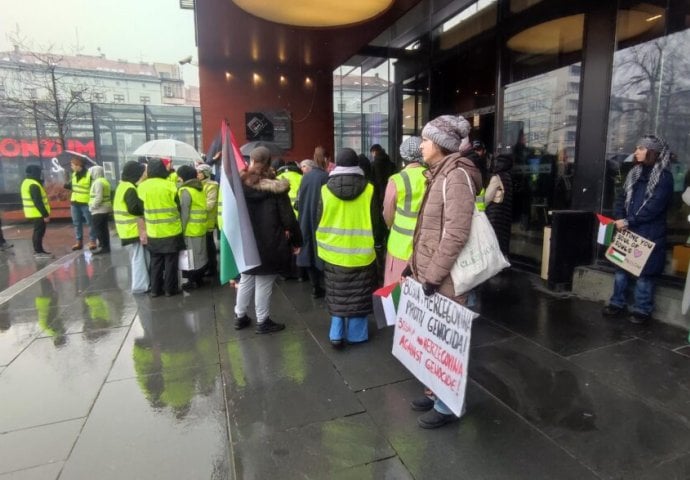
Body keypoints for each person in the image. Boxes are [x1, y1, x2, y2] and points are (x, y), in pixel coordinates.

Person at [404, 114, 481, 429]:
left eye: (424, 140)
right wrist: (413, 266)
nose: (420, 145)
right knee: (431, 342)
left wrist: (433, 275)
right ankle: (433, 390)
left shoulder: (456, 176)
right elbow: (427, 229)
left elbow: (456, 233)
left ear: (439, 144)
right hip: (433, 276)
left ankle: (447, 404)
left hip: (447, 280)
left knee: (447, 347)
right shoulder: (438, 173)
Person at [602, 135, 674, 324]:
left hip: (649, 233)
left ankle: (642, 309)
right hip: (628, 229)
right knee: (620, 269)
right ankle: (617, 303)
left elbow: (654, 207)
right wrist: (619, 217)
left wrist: (628, 221)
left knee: (645, 274)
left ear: (652, 152)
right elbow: (621, 197)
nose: (636, 152)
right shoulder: (634, 172)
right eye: (637, 148)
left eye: (641, 149)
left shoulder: (665, 177)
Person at [233, 146, 302, 334]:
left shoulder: (239, 184)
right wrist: (297, 241)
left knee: (247, 277)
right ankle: (262, 321)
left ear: (252, 160)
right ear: (269, 162)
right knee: (264, 280)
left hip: (247, 242)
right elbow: (288, 218)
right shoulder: (276, 187)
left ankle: (240, 316)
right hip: (270, 242)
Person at [316, 148, 377, 348]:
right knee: (359, 293)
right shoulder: (369, 189)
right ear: (357, 165)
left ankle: (336, 333)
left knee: (337, 293)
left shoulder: (325, 190)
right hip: (362, 253)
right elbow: (376, 222)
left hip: (333, 253)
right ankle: (356, 335)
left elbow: (318, 220)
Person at [382, 137, 426, 286]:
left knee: (396, 288)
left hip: (399, 245)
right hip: (425, 245)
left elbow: (388, 212)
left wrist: (390, 225)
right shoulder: (432, 176)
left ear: (403, 155)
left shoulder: (397, 179)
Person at [137, 158, 185, 297]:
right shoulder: (171, 186)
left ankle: (155, 290)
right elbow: (178, 206)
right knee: (171, 262)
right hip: (171, 230)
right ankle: (170, 289)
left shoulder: (142, 187)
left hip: (153, 231)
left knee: (156, 261)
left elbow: (139, 209)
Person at [113, 161, 150, 294]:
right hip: (132, 229)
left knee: (137, 257)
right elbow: (133, 208)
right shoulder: (130, 188)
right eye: (141, 172)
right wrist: (144, 208)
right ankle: (140, 286)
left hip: (125, 230)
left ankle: (142, 284)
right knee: (138, 259)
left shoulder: (122, 186)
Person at [296, 153, 330, 298]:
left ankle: (315, 286)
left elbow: (298, 201)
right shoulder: (326, 177)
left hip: (305, 219)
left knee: (308, 251)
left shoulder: (305, 178)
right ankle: (327, 285)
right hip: (322, 220)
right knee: (323, 252)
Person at [177, 165, 208, 290]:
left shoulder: (185, 191)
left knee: (191, 258)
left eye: (179, 176)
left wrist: (181, 230)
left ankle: (192, 281)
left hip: (190, 229)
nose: (178, 178)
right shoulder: (199, 188)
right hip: (201, 226)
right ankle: (199, 279)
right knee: (200, 255)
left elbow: (184, 213)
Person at [64, 155, 97, 250]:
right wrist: (68, 185)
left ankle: (92, 241)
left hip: (86, 202)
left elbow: (92, 188)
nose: (71, 167)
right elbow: (74, 186)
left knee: (90, 222)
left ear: (78, 165)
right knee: (76, 223)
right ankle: (79, 242)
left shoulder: (89, 175)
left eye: (73, 165)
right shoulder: (74, 175)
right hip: (75, 202)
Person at [485, 153, 514, 255]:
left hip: (495, 217)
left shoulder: (497, 178)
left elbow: (486, 198)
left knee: (494, 245)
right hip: (504, 217)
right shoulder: (508, 177)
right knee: (502, 244)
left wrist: (477, 201)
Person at [21, 165, 52, 258]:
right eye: (39, 172)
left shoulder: (27, 182)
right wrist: (45, 214)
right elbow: (38, 201)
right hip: (37, 213)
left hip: (33, 212)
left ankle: (39, 251)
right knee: (38, 233)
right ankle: (38, 252)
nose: (40, 174)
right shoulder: (33, 184)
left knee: (38, 232)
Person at [196, 163, 219, 277]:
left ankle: (212, 267)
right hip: (201, 221)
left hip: (209, 221)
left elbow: (210, 204)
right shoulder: (199, 185)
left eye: (199, 172)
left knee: (209, 246)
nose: (197, 174)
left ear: (205, 173)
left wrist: (196, 207)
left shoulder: (212, 185)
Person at [88, 166, 113, 254]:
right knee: (104, 229)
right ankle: (106, 246)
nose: (90, 174)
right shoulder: (104, 181)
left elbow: (98, 197)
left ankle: (103, 247)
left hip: (99, 210)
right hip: (105, 208)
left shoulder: (98, 182)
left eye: (91, 172)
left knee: (98, 229)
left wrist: (92, 207)